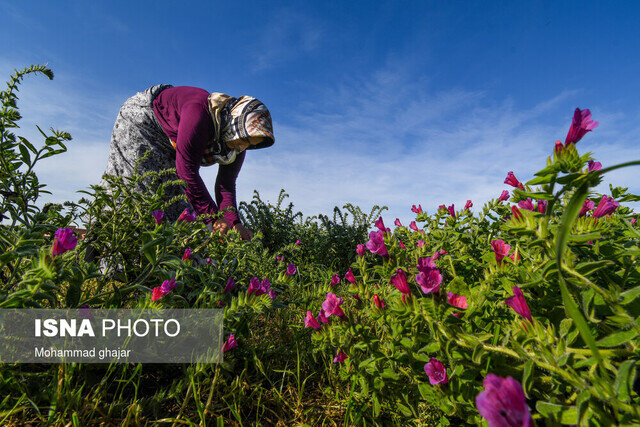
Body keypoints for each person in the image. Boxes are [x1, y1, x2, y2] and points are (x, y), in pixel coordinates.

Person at [99, 85, 275, 240]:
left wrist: (234, 223)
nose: (243, 145)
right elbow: (186, 172)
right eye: (245, 138)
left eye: (250, 144)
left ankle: (158, 270)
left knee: (176, 209)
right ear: (236, 120)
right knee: (134, 191)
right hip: (143, 121)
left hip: (171, 141)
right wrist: (214, 219)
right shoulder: (199, 113)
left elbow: (225, 185)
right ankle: (99, 251)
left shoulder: (236, 145)